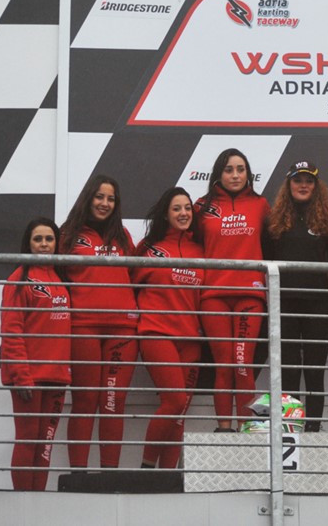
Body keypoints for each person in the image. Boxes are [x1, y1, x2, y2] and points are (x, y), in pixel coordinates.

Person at [60, 174, 139, 469]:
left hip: (123, 329)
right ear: (88, 198)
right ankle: (77, 476)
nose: (105, 203)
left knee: (112, 402)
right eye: (99, 196)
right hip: (83, 327)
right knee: (85, 401)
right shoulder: (68, 234)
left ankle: (109, 477)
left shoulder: (123, 236)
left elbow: (136, 276)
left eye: (111, 199)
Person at [194, 148, 270, 431]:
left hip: (250, 295)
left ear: (248, 174)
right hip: (213, 296)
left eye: (241, 169)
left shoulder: (261, 205)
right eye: (229, 170)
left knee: (242, 363)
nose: (235, 175)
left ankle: (248, 429)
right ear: (218, 174)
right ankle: (224, 429)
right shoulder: (201, 206)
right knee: (224, 365)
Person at [132, 187, 204, 468]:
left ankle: (167, 476)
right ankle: (147, 470)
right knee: (174, 401)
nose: (184, 213)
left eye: (187, 208)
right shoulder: (149, 249)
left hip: (191, 339)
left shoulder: (201, 250)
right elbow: (126, 286)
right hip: (157, 333)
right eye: (176, 208)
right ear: (165, 214)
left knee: (180, 411)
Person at [266, 160, 328, 431]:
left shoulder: (326, 221)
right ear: (289, 184)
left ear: (316, 186)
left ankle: (313, 430)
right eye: (298, 180)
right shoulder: (274, 221)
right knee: (287, 369)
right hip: (284, 304)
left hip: (317, 304)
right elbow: (265, 262)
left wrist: (315, 285)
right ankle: (290, 429)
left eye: (309, 181)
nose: (303, 185)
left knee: (314, 370)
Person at [0, 218, 71, 490]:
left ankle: (38, 503)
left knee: (45, 446)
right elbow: (11, 329)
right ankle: (22, 504)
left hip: (56, 377)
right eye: (38, 239)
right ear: (28, 244)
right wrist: (21, 375)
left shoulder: (61, 278)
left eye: (49, 239)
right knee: (28, 440)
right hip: (28, 378)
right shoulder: (19, 278)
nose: (44, 244)